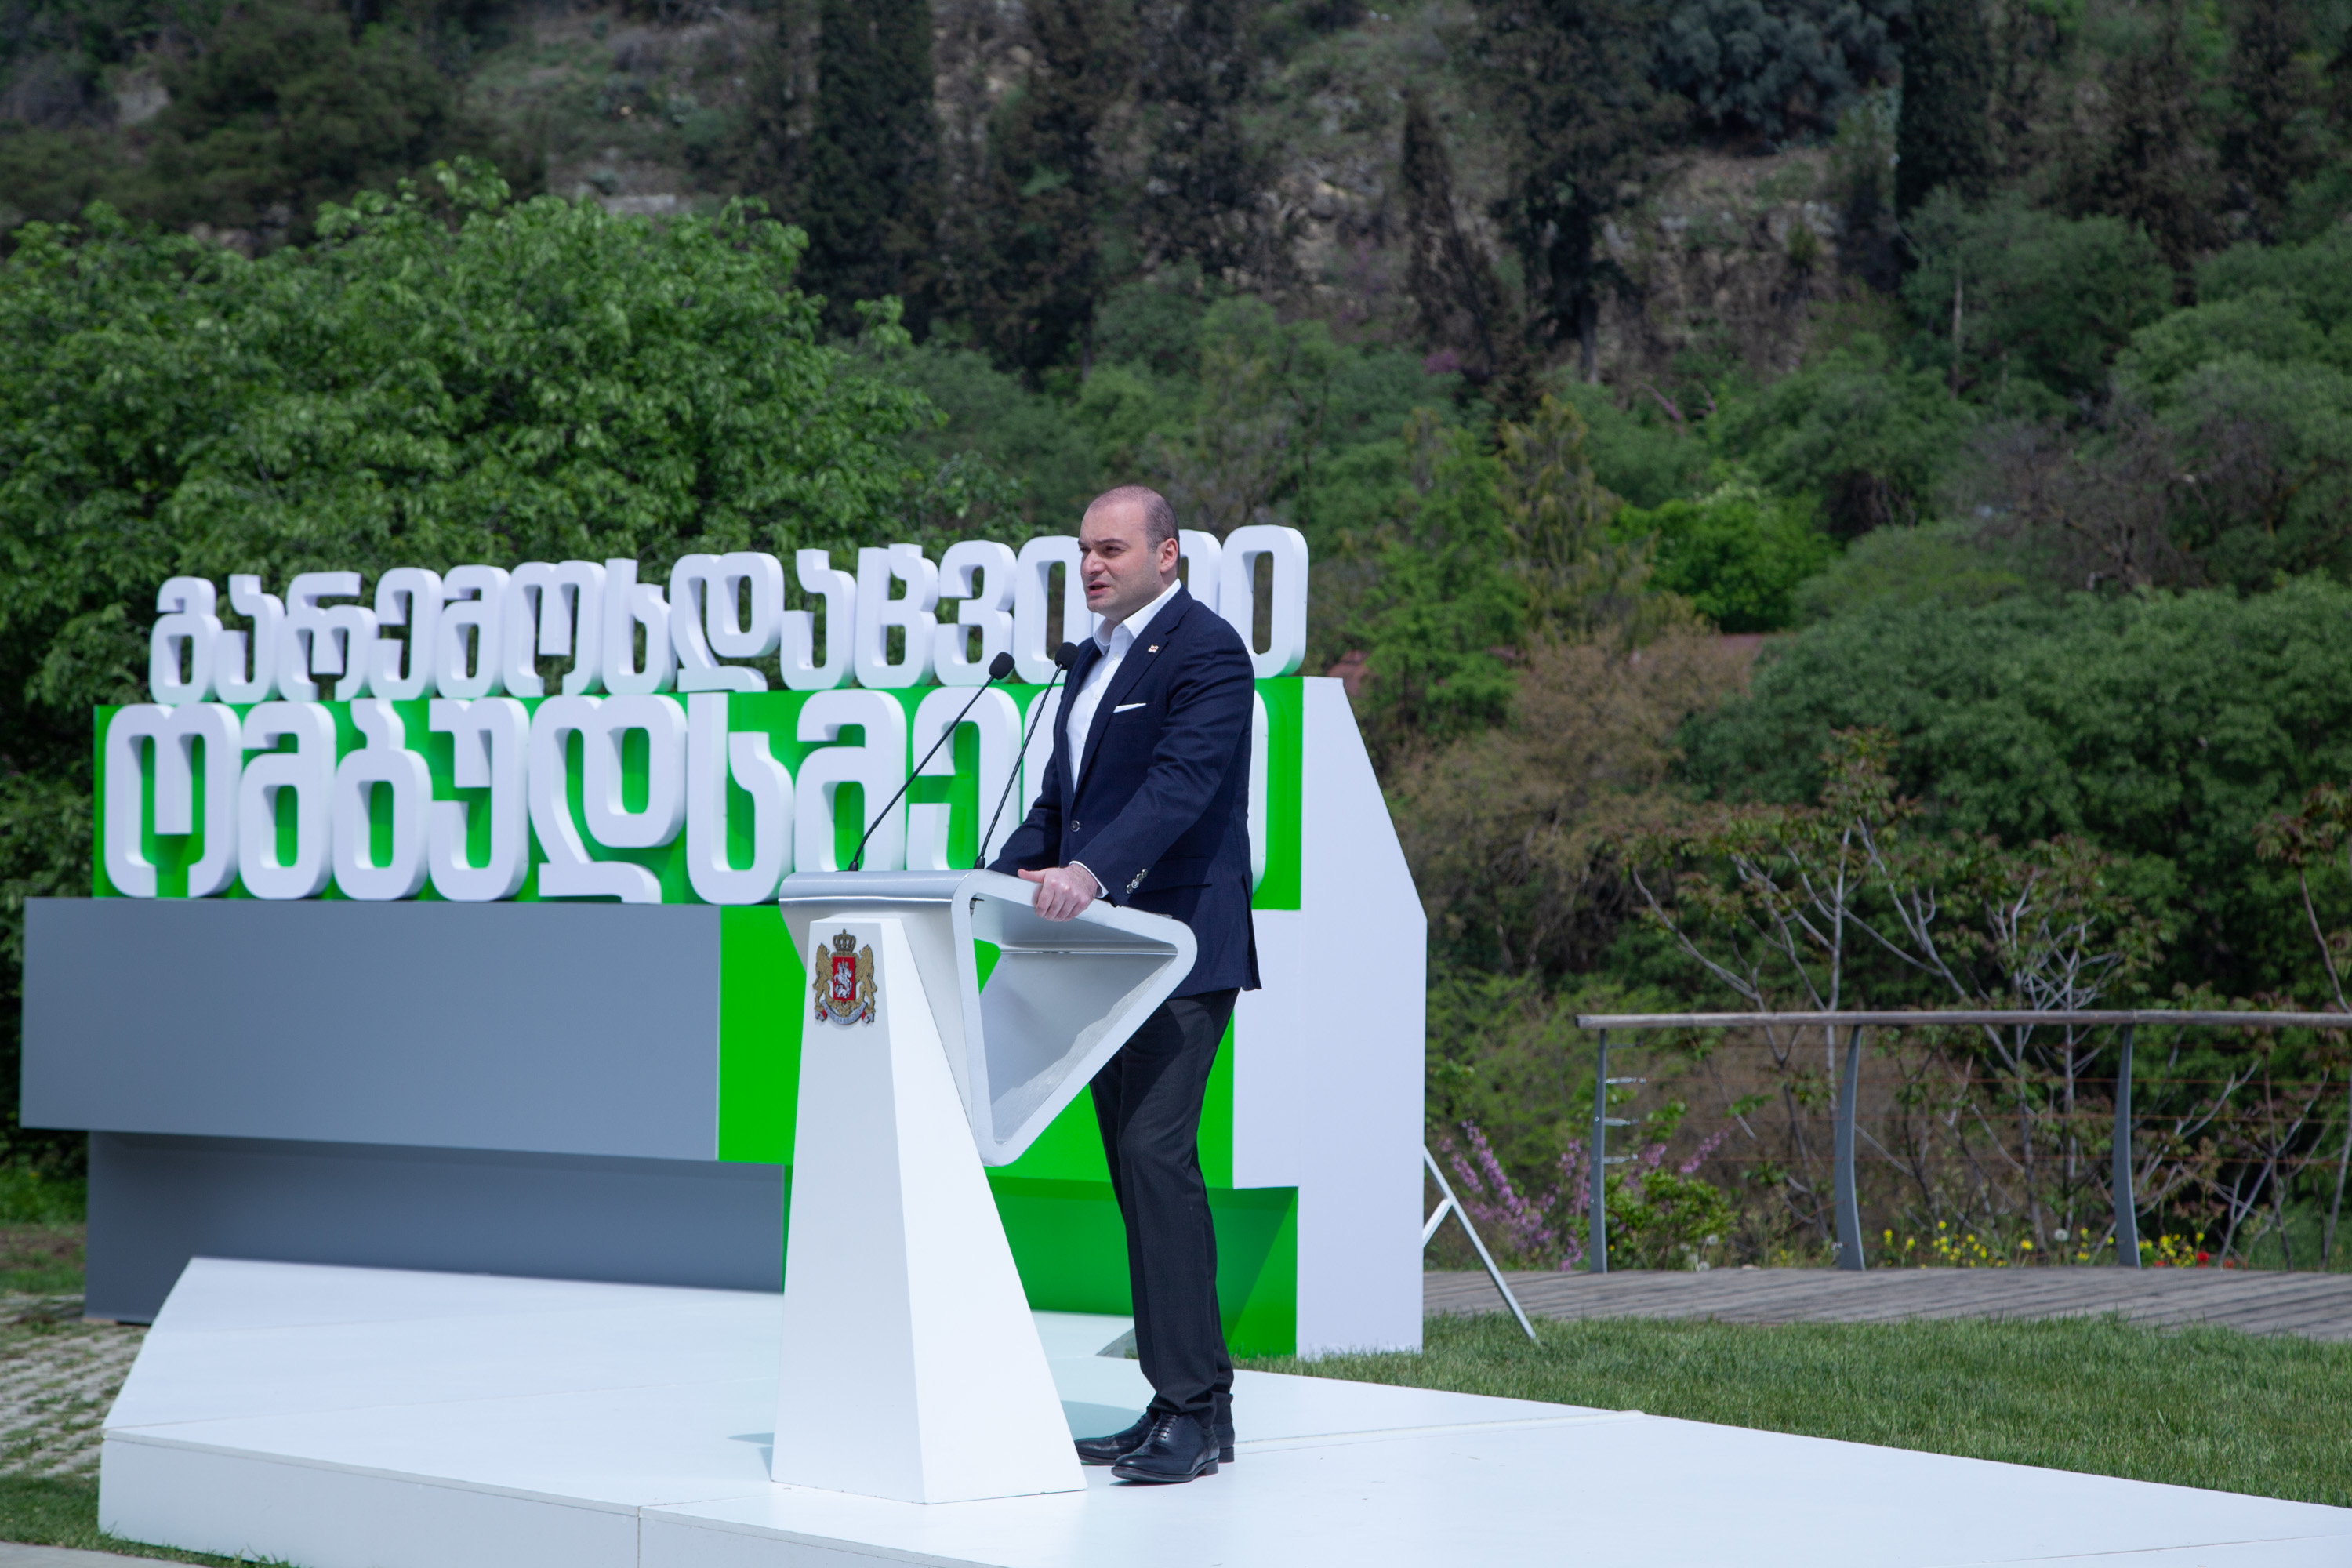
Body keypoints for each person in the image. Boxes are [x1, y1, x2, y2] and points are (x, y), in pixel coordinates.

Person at [989, 484, 1259, 1486]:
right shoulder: (1089, 661)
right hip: (1105, 952)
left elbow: (1182, 785)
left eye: (1111, 549)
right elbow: (1061, 803)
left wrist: (1090, 872)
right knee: (1137, 1172)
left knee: (1156, 1156)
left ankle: (1191, 1406)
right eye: (1083, 551)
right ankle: (1189, 1404)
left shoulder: (1207, 651)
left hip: (1180, 945)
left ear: (1167, 553)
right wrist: (995, 874)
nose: (1092, 566)